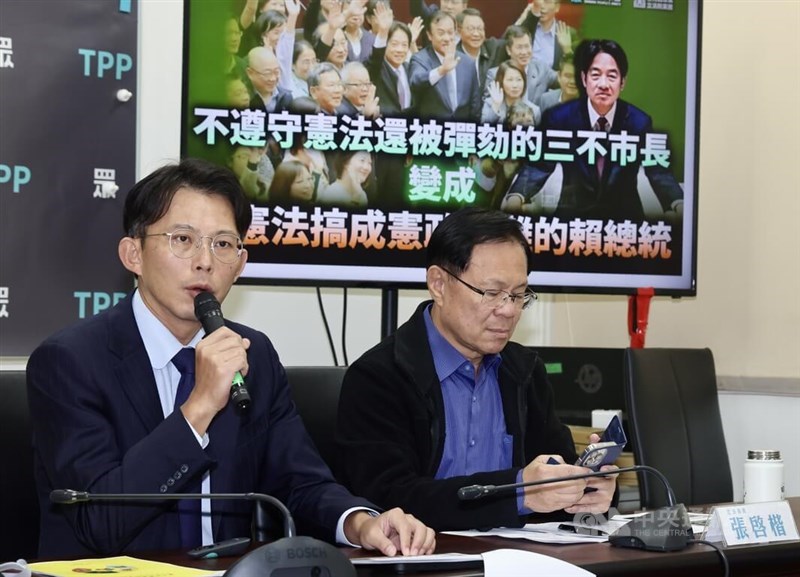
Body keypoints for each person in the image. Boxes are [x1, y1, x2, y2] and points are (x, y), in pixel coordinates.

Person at [26, 158, 437, 557]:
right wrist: (199, 407)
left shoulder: (251, 353)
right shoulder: (70, 362)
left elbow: (300, 483)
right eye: (182, 240)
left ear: (240, 264)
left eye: (223, 244)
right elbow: (99, 523)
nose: (204, 261)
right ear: (133, 255)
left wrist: (360, 523)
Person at [335, 208, 618, 531]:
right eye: (491, 293)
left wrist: (591, 488)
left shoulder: (524, 373)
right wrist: (518, 491)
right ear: (438, 284)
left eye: (518, 294)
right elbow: (386, 500)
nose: (509, 310)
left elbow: (556, 477)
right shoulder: (379, 377)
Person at [504, 39, 684, 221]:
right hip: (572, 222)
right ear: (584, 79)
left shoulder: (639, 121)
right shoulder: (560, 117)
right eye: (596, 75)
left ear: (622, 82)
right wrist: (516, 196)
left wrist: (678, 202)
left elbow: (658, 170)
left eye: (612, 76)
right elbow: (539, 164)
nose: (603, 84)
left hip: (624, 223)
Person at [409, 11, 481, 121]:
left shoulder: (467, 62)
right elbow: (416, 81)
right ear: (429, 35)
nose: (447, 38)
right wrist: (441, 70)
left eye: (450, 32)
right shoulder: (420, 59)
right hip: (432, 130)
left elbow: (475, 105)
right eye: (441, 33)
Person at [481, 61, 541, 125]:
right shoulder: (490, 104)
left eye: (519, 80)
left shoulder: (534, 110)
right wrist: (496, 105)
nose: (515, 85)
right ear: (501, 82)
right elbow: (484, 129)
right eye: (510, 80)